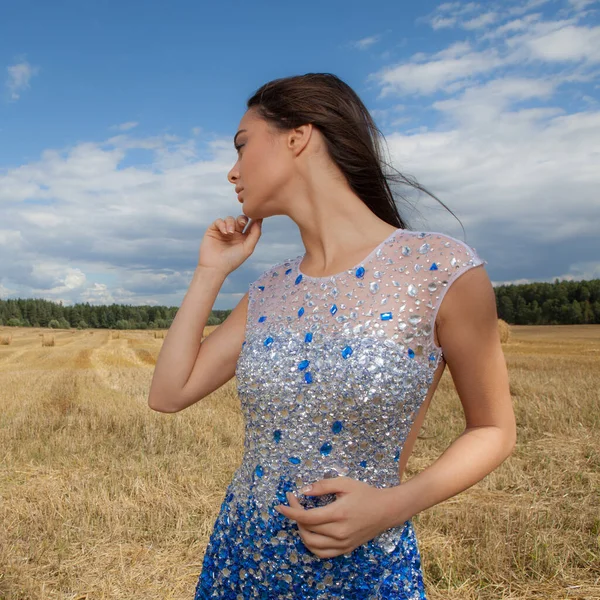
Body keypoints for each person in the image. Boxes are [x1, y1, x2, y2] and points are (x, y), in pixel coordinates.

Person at [148, 73, 516, 599]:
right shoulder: (270, 288)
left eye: (242, 146)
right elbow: (167, 394)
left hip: (363, 568)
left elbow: (494, 430)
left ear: (298, 136)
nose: (232, 172)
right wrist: (211, 272)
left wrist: (393, 505)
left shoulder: (440, 270)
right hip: (241, 559)